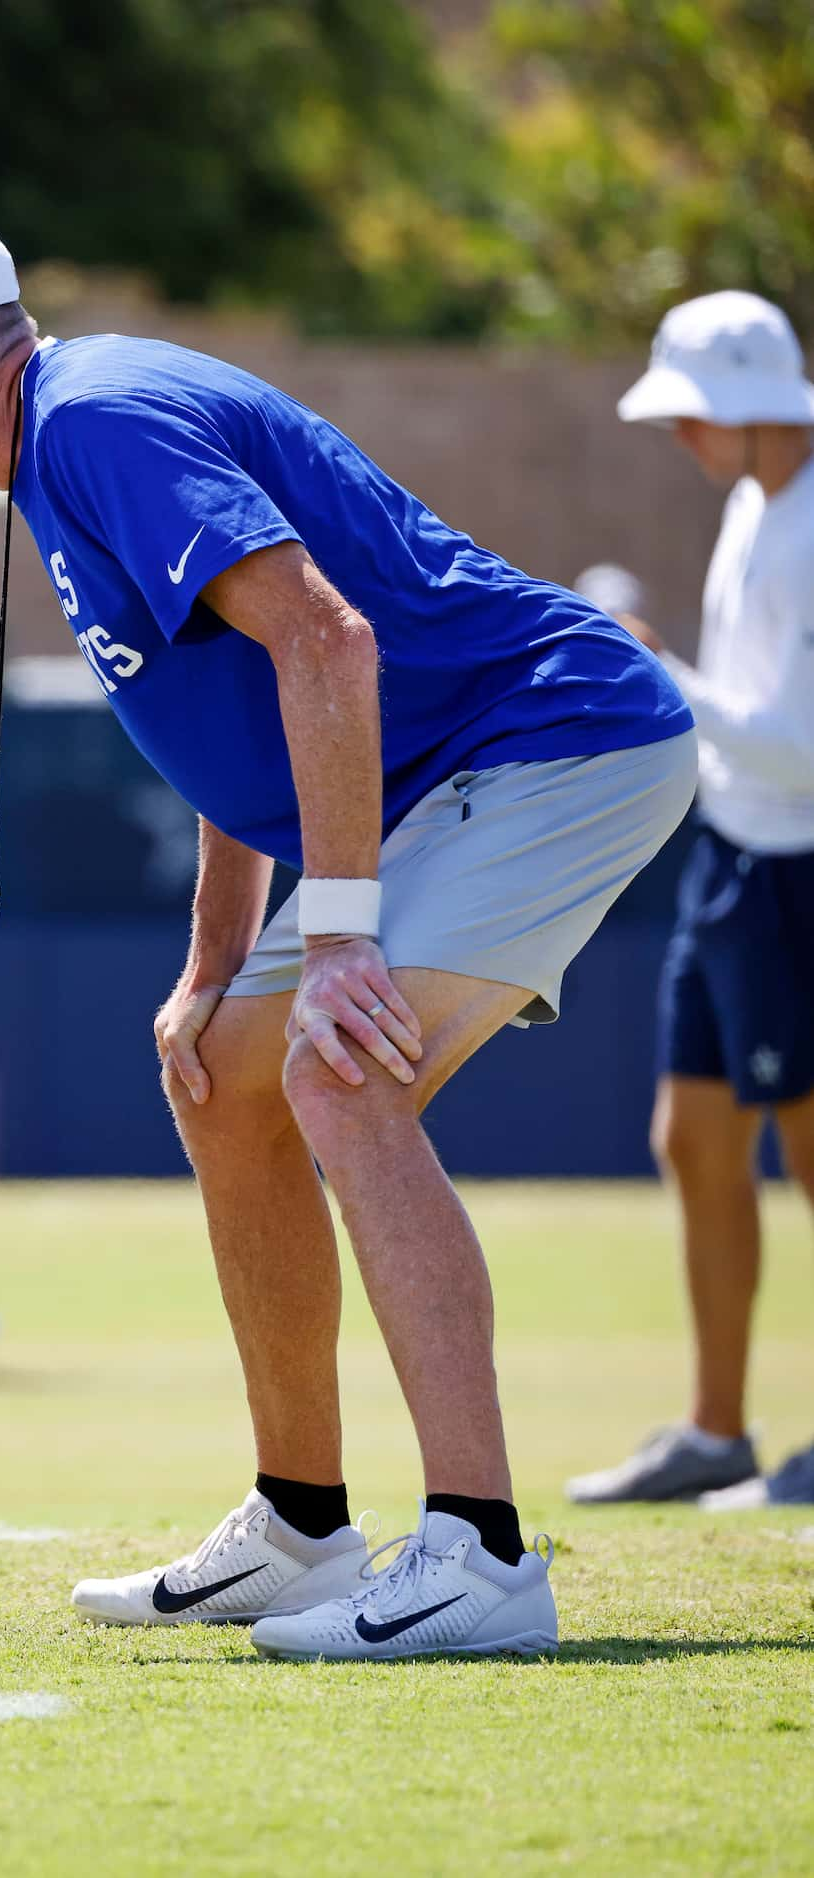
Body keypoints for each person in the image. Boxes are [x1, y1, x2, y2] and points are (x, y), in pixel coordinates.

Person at [0, 194, 697, 1658]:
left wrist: (348, 943)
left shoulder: (98, 419)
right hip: (445, 774)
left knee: (335, 1065)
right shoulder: (59, 441)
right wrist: (213, 963)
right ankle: (305, 1525)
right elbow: (239, 719)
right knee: (228, 1072)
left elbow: (326, 640)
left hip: (559, 738)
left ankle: (484, 1556)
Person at [569, 291, 814, 1509]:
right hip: (734, 857)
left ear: (746, 404)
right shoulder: (747, 504)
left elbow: (803, 748)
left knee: (812, 1149)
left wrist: (652, 664)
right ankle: (717, 1432)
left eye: (688, 414)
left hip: (802, 865)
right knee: (692, 1136)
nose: (677, 436)